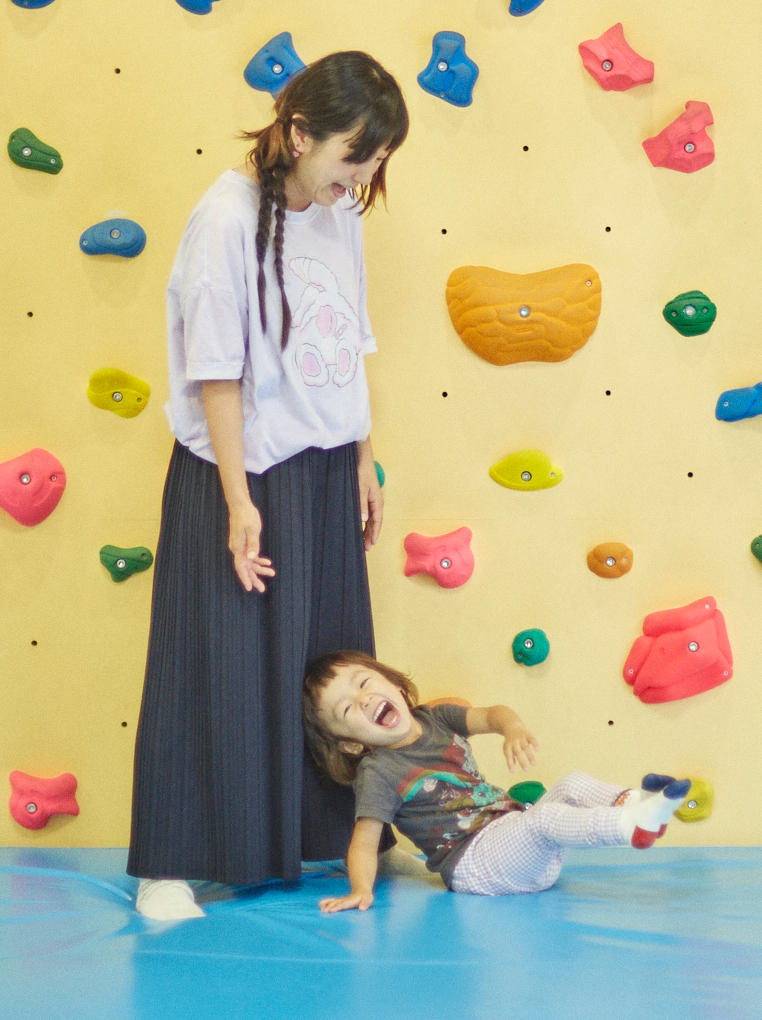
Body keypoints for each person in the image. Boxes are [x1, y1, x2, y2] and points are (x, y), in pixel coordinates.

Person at [127, 51, 410, 921]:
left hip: (324, 464)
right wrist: (238, 497)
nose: (360, 181)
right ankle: (167, 865)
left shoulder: (338, 214)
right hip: (241, 466)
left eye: (373, 165)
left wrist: (361, 459)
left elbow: (352, 344)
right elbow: (217, 371)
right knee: (216, 654)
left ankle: (320, 837)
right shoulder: (225, 218)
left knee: (325, 663)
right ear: (296, 133)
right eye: (352, 158)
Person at [302, 650, 691, 909]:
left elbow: (492, 715)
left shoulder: (434, 719)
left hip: (513, 840)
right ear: (351, 746)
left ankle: (637, 802)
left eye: (364, 684)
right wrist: (360, 891)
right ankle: (631, 826)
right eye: (348, 708)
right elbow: (365, 841)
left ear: (396, 686)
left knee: (571, 784)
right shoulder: (379, 770)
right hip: (475, 863)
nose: (364, 699)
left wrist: (513, 728)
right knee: (547, 817)